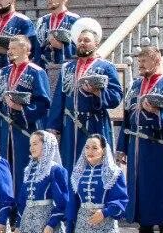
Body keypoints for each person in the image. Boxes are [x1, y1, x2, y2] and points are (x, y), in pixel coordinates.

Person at [118, 47, 163, 233]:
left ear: (156, 61)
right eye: (139, 62)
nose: (140, 66)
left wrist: (157, 113)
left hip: (160, 147)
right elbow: (127, 117)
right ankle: (144, 232)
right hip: (137, 146)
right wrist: (122, 147)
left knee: (159, 189)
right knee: (139, 189)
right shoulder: (136, 85)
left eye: (144, 62)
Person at [47, 18, 122, 169]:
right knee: (70, 166)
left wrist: (98, 93)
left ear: (96, 44)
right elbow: (59, 98)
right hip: (69, 126)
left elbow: (116, 96)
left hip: (94, 124)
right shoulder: (67, 67)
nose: (82, 43)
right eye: (80, 40)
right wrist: (53, 127)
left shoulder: (106, 67)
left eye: (86, 40)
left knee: (95, 166)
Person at [0, 35, 51, 183]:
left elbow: (43, 102)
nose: (9, 51)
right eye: (9, 48)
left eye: (14, 48)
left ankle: (24, 202)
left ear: (26, 49)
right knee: (5, 166)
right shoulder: (3, 72)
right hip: (6, 129)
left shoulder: (36, 72)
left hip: (26, 127)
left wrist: (21, 108)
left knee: (24, 165)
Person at [33, 0, 79, 82]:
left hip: (67, 70)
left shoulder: (75, 20)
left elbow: (80, 47)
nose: (49, 0)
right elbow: (37, 47)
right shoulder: (42, 20)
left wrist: (62, 46)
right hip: (45, 69)